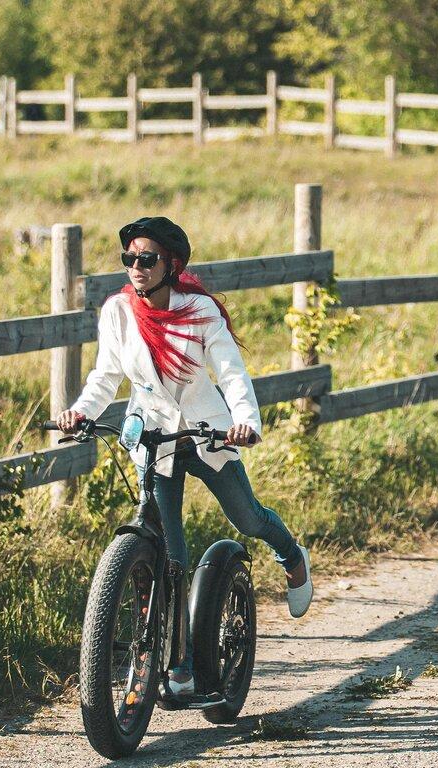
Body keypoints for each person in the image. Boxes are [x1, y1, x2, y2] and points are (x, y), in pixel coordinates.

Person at [59, 216, 313, 698]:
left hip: (206, 429)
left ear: (171, 264)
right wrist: (80, 412)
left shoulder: (199, 312)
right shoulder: (117, 312)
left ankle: (292, 555)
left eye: (147, 259)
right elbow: (105, 376)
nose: (136, 267)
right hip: (152, 436)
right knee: (169, 554)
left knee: (247, 517)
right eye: (129, 258)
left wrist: (245, 421)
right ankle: (179, 667)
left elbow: (231, 372)